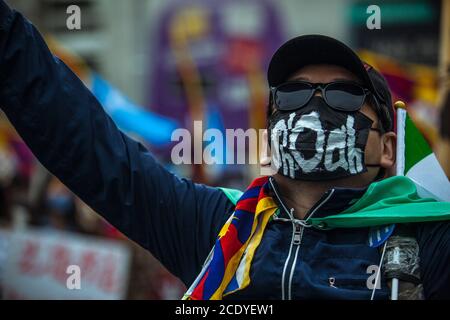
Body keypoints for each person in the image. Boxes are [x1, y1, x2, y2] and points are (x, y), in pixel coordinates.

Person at [0, 1, 449, 300]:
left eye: (343, 96)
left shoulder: (428, 241)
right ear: (273, 135)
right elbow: (84, 142)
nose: (314, 107)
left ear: (389, 148)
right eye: (292, 96)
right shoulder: (217, 228)